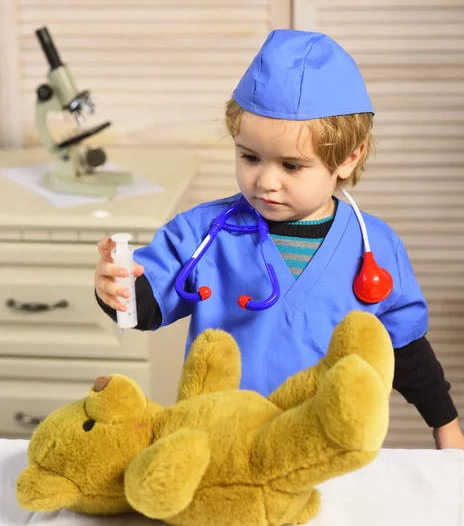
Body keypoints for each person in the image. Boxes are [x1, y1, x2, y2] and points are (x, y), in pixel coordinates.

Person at [95, 29, 463, 449]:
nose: (265, 181)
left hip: (328, 450)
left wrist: (446, 425)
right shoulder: (200, 233)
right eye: (250, 157)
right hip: (224, 446)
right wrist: (117, 288)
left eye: (291, 166)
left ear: (348, 158)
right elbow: (146, 307)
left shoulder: (375, 247)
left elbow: (405, 347)